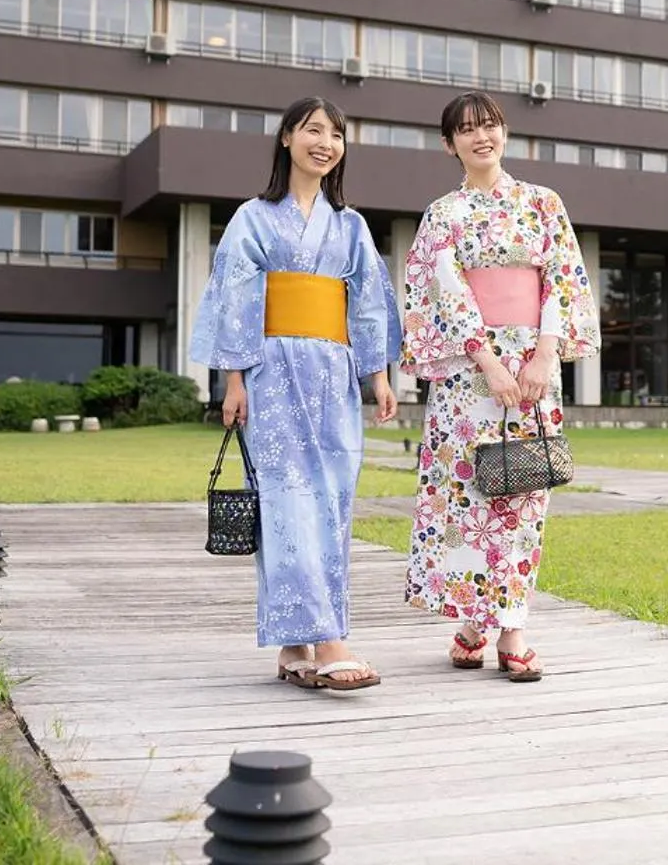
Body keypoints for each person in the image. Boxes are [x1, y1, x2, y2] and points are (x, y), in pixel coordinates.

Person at [190, 96, 400, 691]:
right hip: (272, 372)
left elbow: (367, 304)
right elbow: (232, 298)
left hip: (332, 373)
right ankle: (329, 640)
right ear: (286, 138)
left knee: (331, 500)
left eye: (335, 135)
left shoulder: (351, 225)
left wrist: (378, 375)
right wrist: (233, 380)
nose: (325, 143)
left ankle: (293, 645)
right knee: (285, 501)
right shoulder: (252, 218)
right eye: (313, 131)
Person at [401, 90, 598, 682]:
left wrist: (543, 356)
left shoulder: (542, 202)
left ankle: (511, 627)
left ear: (504, 132)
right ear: (448, 144)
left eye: (489, 125)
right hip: (470, 372)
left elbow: (561, 279)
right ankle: (473, 623)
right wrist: (485, 358)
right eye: (466, 130)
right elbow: (443, 289)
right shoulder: (443, 214)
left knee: (524, 491)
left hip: (535, 362)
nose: (480, 136)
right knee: (469, 496)